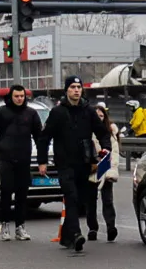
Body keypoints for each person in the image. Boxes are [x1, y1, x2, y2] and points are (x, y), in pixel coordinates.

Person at [37, 76, 112, 253]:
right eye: (72, 87)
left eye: (79, 87)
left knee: (79, 200)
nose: (76, 90)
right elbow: (44, 138)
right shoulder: (58, 112)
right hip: (65, 163)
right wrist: (42, 161)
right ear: (66, 90)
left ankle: (66, 237)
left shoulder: (88, 111)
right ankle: (77, 234)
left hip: (84, 163)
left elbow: (102, 132)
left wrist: (106, 148)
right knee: (71, 196)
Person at [0, 84, 43, 242]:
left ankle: (20, 227)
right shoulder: (1, 112)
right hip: (6, 158)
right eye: (16, 96)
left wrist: (42, 158)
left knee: (22, 193)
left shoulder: (31, 114)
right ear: (11, 97)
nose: (19, 99)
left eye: (22, 96)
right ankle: (5, 225)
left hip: (24, 158)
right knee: (6, 190)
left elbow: (39, 136)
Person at [86, 102, 120, 242]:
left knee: (108, 200)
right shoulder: (86, 131)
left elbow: (115, 154)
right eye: (96, 115)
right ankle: (92, 228)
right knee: (90, 202)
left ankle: (111, 227)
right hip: (91, 170)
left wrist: (112, 171)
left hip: (106, 170)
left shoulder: (110, 132)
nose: (99, 118)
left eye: (101, 116)